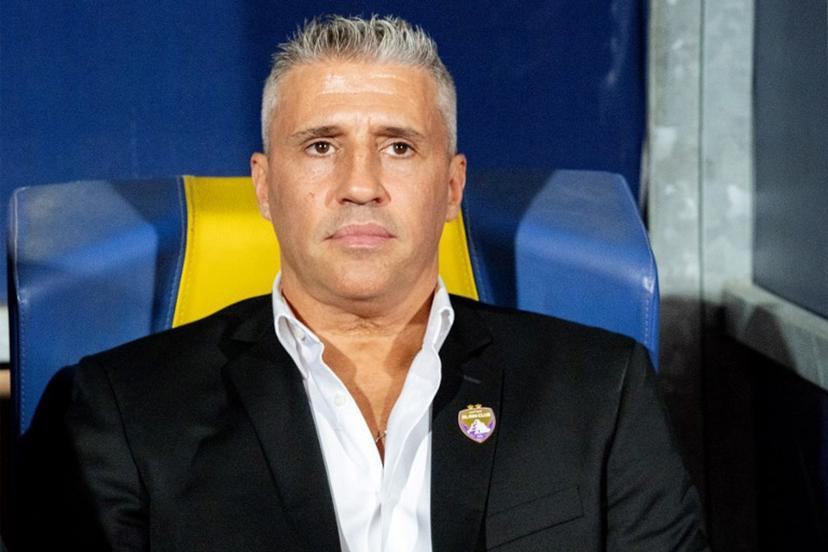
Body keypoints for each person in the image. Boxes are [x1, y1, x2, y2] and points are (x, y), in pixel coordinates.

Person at [40, 14, 707, 552]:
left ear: (452, 187)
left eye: (399, 147)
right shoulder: (119, 410)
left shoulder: (599, 391)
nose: (360, 186)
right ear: (265, 187)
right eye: (321, 146)